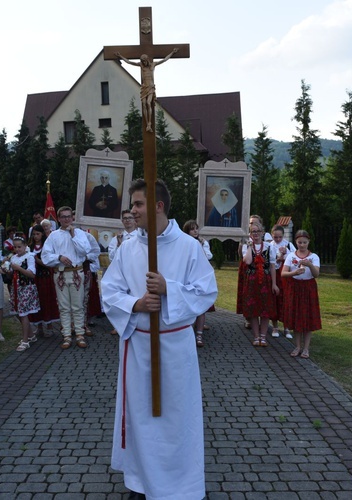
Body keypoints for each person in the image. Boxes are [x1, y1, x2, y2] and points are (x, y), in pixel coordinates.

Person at [101, 178, 218, 499]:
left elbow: (207, 292)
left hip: (176, 348)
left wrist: (170, 290)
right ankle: (140, 483)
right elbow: (109, 291)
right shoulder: (128, 249)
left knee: (177, 419)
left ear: (158, 206)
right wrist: (135, 304)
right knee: (141, 417)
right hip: (138, 346)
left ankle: (182, 486)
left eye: (138, 204)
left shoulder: (189, 247)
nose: (132, 211)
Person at [41, 206, 92, 349]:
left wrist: (73, 235)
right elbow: (45, 256)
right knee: (63, 306)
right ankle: (67, 335)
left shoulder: (80, 234)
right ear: (58, 219)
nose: (66, 219)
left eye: (69, 216)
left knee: (78, 305)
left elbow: (84, 251)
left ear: (72, 218)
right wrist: (59, 257)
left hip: (77, 272)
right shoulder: (53, 235)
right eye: (63, 217)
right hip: (60, 274)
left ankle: (80, 334)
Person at [116, 48, 179, 132]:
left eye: (145, 61)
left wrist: (172, 52)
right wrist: (120, 56)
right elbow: (129, 62)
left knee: (149, 103)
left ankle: (149, 123)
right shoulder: (141, 66)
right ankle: (147, 124)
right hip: (144, 87)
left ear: (147, 60)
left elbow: (164, 60)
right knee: (144, 103)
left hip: (150, 87)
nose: (144, 63)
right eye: (142, 61)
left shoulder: (153, 65)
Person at [281, 230, 321, 358]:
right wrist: (294, 273)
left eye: (304, 242)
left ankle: (306, 348)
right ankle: (297, 346)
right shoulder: (291, 256)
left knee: (308, 317)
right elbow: (283, 273)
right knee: (296, 317)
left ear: (308, 242)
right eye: (299, 242)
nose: (302, 245)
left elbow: (316, 274)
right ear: (296, 242)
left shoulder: (314, 257)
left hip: (309, 288)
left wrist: (309, 264)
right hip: (295, 288)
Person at [241, 220, 280, 346]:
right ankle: (256, 336)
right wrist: (250, 246)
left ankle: (263, 336)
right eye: (253, 232)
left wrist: (274, 284)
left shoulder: (270, 247)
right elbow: (247, 262)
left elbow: (273, 266)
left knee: (265, 309)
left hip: (266, 280)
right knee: (253, 309)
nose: (256, 234)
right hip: (252, 280)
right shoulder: (247, 246)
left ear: (263, 233)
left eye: (258, 231)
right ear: (250, 234)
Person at [182, 219, 215, 347]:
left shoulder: (202, 242)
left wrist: (200, 247)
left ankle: (199, 335)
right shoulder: (183, 243)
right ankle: (188, 333)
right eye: (192, 229)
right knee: (189, 305)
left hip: (200, 276)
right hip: (187, 276)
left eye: (196, 228)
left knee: (201, 306)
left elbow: (208, 256)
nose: (195, 231)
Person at [106, 209, 138, 335]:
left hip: (135, 272)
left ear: (135, 220)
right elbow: (111, 257)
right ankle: (119, 323)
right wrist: (119, 244)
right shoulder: (116, 238)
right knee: (121, 298)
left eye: (130, 218)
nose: (127, 221)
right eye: (125, 218)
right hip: (121, 273)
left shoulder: (140, 236)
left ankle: (135, 322)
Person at [8, 236, 41, 352]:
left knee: (23, 313)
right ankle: (31, 335)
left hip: (26, 288)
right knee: (18, 312)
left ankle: (25, 340)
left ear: (25, 246)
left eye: (19, 247)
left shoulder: (30, 257)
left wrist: (18, 268)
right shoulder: (13, 258)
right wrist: (8, 271)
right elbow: (12, 274)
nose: (17, 249)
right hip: (16, 288)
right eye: (15, 247)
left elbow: (32, 274)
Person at [28, 224, 60, 337]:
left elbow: (49, 264)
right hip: (35, 278)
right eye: (34, 234)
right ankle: (39, 326)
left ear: (42, 234)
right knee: (37, 301)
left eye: (38, 234)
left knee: (47, 300)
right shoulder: (30, 247)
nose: (36, 236)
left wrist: (37, 260)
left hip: (45, 277)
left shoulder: (47, 246)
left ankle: (49, 326)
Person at [269, 224, 296, 339]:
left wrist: (285, 255)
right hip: (275, 275)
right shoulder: (270, 246)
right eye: (275, 237)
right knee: (274, 300)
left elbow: (295, 258)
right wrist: (277, 258)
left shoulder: (289, 245)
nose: (278, 239)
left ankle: (286, 327)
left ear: (283, 236)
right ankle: (275, 326)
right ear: (272, 236)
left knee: (286, 300)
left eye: (280, 237)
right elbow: (268, 261)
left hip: (286, 277)